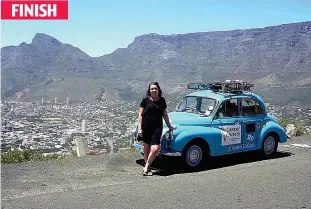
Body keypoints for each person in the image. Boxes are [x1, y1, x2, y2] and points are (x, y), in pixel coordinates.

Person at [137, 82, 173, 176]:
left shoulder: (162, 100)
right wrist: (140, 128)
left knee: (155, 148)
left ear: (158, 90)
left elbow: (164, 114)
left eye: (155, 88)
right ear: (149, 90)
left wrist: (169, 125)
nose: (154, 90)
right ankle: (147, 168)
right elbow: (140, 115)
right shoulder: (145, 101)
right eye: (152, 88)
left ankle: (146, 166)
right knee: (147, 147)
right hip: (146, 126)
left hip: (157, 127)